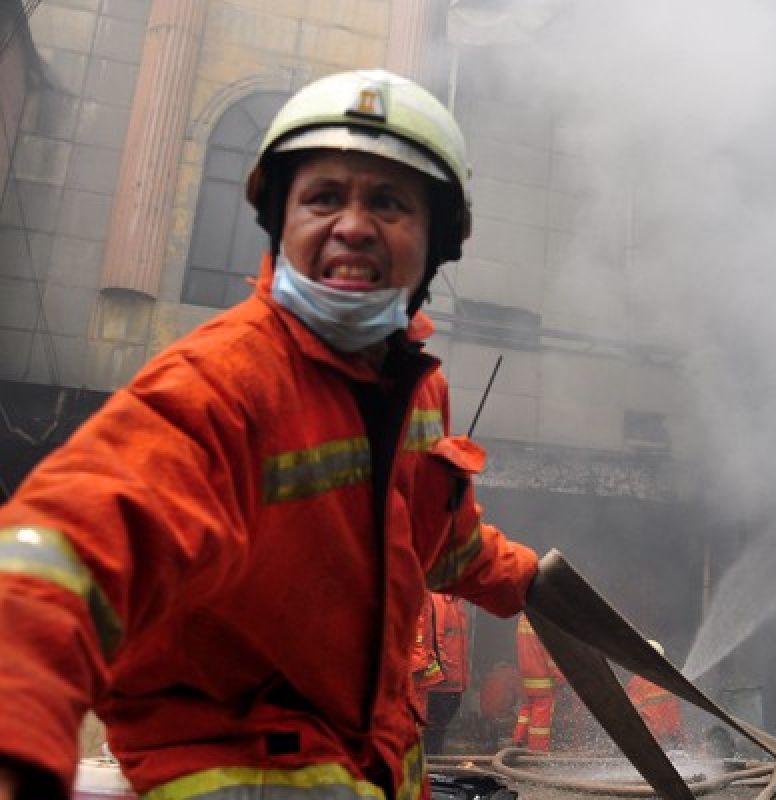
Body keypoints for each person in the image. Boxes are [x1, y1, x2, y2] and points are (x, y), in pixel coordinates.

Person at [0, 69, 543, 800]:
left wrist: (530, 581)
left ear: (439, 240)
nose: (353, 224)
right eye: (323, 197)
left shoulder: (417, 387)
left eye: (389, 202)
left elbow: (439, 538)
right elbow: (56, 560)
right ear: (278, 220)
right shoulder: (219, 381)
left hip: (375, 759)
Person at [424, 593, 470, 754]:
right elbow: (436, 638)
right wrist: (441, 670)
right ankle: (431, 762)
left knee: (439, 725)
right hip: (441, 682)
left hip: (453, 680)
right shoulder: (439, 601)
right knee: (435, 725)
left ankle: (433, 760)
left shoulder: (457, 603)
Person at [512, 612, 564, 751]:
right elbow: (549, 653)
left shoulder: (524, 617)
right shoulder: (542, 618)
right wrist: (560, 676)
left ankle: (518, 740)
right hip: (543, 677)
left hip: (527, 675)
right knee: (541, 717)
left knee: (527, 708)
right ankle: (537, 751)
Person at [625, 640, 686, 750]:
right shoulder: (671, 679)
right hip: (673, 737)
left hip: (651, 740)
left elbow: (630, 711)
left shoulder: (637, 681)